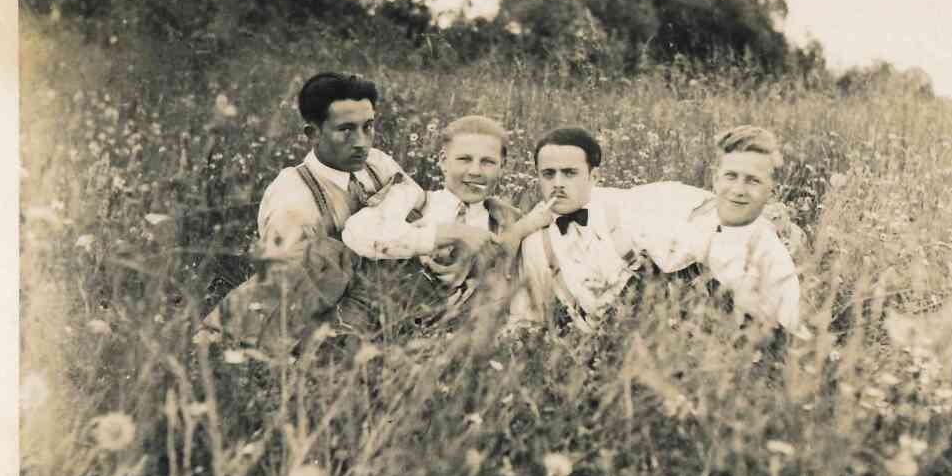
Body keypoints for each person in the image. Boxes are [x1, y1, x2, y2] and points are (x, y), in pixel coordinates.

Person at [198, 72, 492, 354]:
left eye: (369, 126)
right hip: (330, 315)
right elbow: (287, 288)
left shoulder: (378, 163)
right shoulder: (293, 198)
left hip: (399, 295)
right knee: (324, 255)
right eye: (346, 130)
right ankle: (220, 345)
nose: (362, 142)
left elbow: (423, 207)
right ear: (313, 133)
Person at [340, 114, 552, 323]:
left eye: (488, 162)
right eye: (464, 159)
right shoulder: (415, 200)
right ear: (443, 161)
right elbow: (356, 233)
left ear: (502, 167)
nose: (475, 171)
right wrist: (442, 235)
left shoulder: (508, 221)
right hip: (387, 325)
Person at [513, 127, 716, 333]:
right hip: (591, 348)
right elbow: (529, 318)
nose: (558, 184)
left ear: (594, 176)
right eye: (548, 174)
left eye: (569, 173)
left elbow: (707, 216)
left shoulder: (626, 205)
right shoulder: (535, 241)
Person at [682, 125, 801, 335]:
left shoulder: (773, 262)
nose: (738, 190)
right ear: (715, 179)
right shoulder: (690, 218)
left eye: (753, 180)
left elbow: (785, 337)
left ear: (771, 190)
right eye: (730, 176)